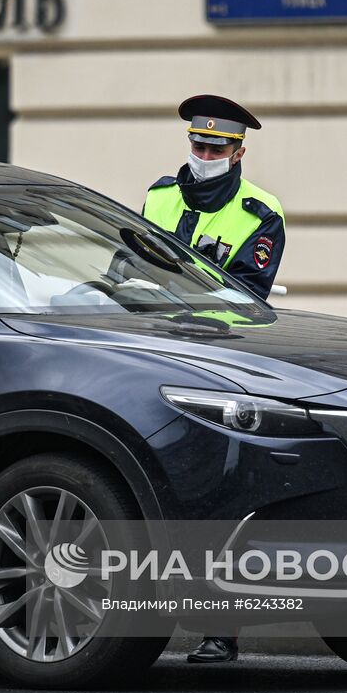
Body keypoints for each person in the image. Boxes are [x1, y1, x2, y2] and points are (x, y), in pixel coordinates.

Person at [143, 94, 286, 664]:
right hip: (153, 357)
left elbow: (247, 295)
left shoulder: (259, 211)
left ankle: (219, 629)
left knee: (219, 497)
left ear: (238, 151)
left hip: (219, 367)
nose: (203, 154)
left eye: (215, 148)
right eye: (197, 145)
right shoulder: (157, 196)